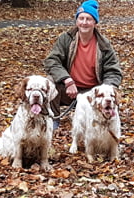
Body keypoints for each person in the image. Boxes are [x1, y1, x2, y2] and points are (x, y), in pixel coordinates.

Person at [44, 0, 123, 129]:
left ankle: (103, 117)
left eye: (88, 19)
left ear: (95, 23)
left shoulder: (103, 44)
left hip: (92, 92)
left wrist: (105, 89)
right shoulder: (66, 39)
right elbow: (52, 61)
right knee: (50, 81)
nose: (84, 22)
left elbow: (113, 71)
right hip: (70, 89)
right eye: (81, 18)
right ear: (76, 21)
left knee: (108, 94)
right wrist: (67, 80)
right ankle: (54, 119)